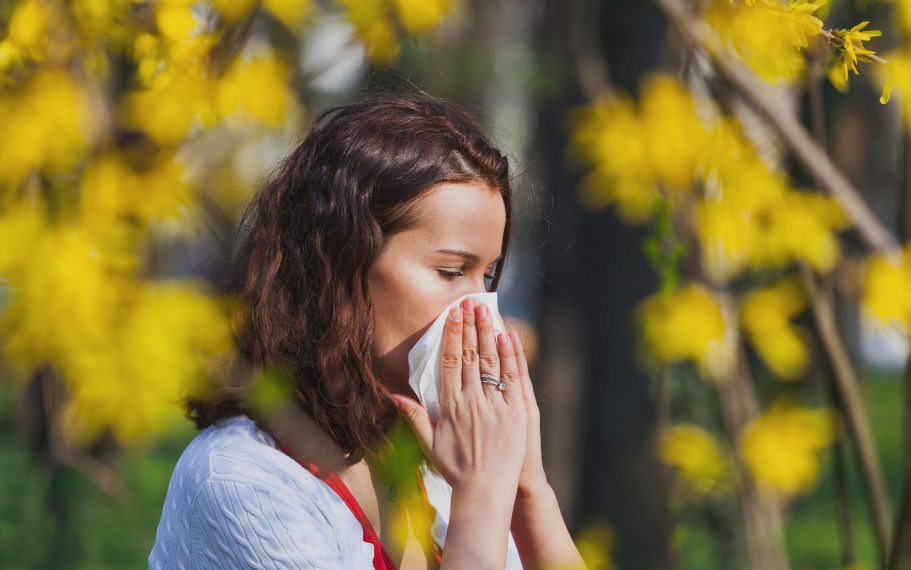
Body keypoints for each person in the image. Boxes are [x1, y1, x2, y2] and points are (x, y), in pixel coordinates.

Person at [148, 95, 586, 570]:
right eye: (450, 271)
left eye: (487, 274)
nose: (483, 313)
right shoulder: (244, 483)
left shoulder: (432, 457)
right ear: (341, 264)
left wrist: (525, 487)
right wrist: (480, 497)